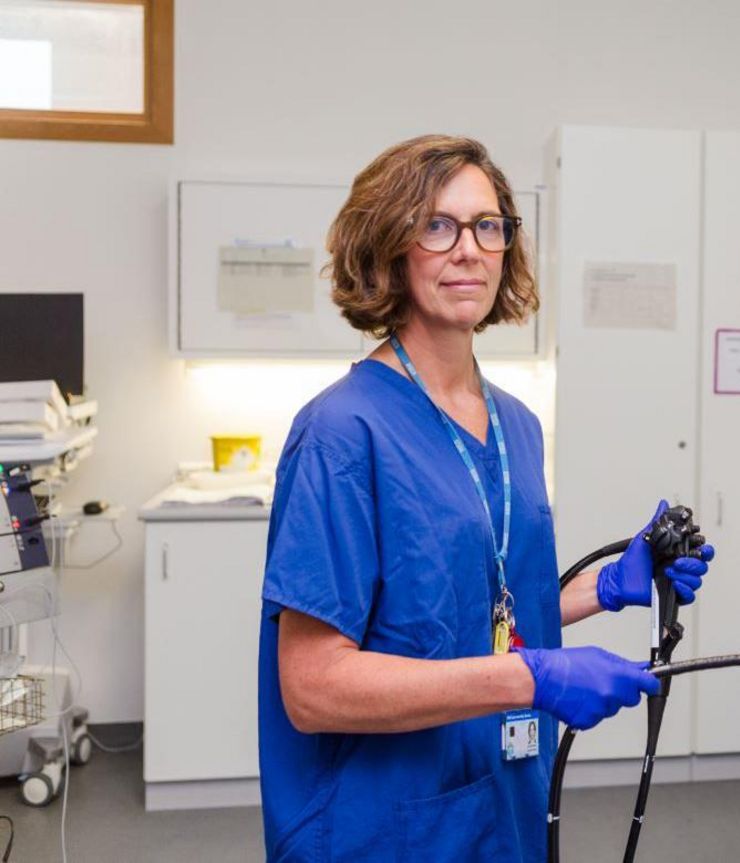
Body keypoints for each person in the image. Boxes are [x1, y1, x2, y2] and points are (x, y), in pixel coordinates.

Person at [255, 134, 713, 861]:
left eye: (489, 225)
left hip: (503, 806)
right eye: (438, 225)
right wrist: (531, 674)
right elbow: (312, 686)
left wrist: (608, 586)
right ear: (390, 249)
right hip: (383, 826)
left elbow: (464, 609)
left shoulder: (518, 426)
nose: (469, 248)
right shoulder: (342, 432)